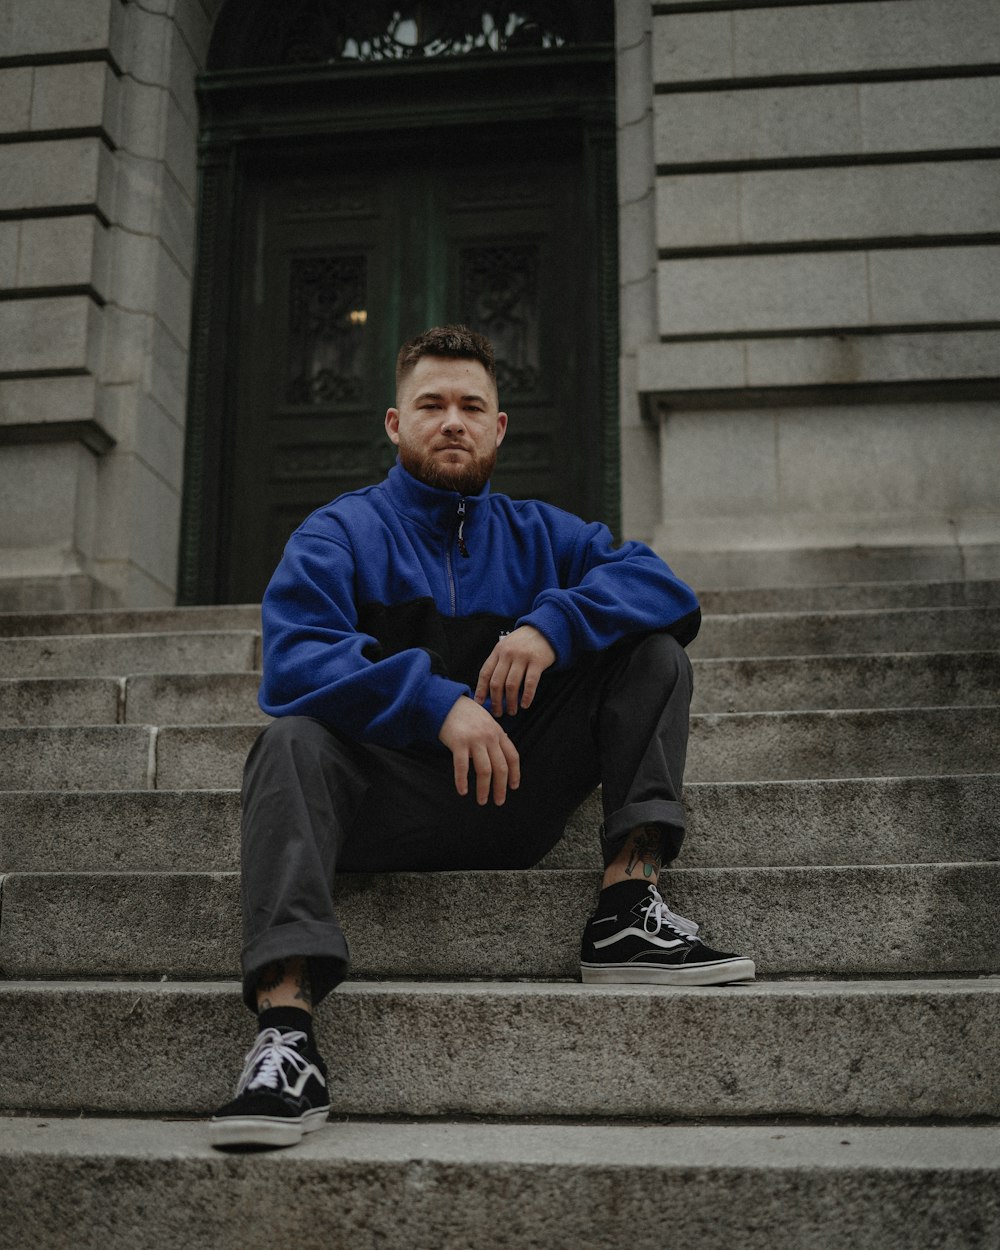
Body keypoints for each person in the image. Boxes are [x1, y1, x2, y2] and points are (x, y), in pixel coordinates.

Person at [209, 325, 754, 1150]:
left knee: (651, 651)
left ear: (499, 427)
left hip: (520, 789)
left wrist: (552, 625)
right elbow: (295, 660)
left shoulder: (544, 535)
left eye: (472, 406)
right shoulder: (339, 533)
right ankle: (286, 1036)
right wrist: (435, 702)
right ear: (396, 424)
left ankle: (627, 906)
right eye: (431, 404)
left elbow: (662, 586)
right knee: (289, 744)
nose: (452, 420)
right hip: (391, 804)